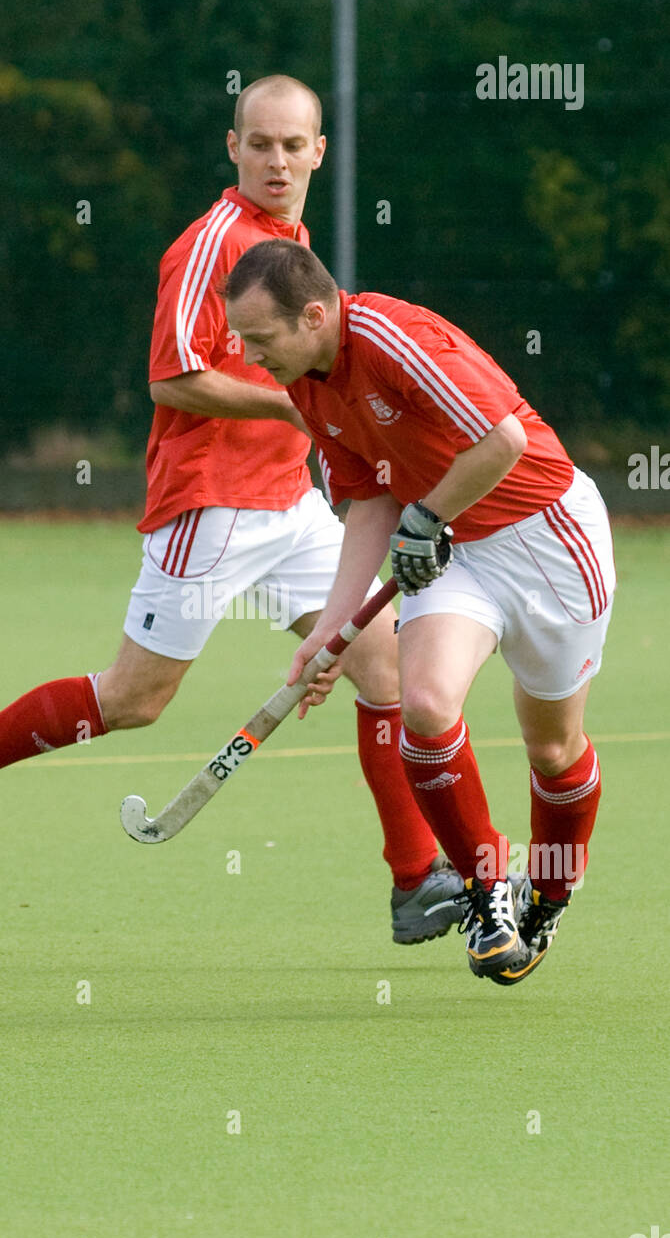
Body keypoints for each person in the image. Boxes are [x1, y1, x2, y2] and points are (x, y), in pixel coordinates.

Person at [0, 76, 462, 944]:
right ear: (233, 147)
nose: (276, 161)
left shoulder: (293, 241)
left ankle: (416, 880)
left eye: (292, 146)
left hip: (289, 505)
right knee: (133, 699)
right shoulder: (212, 245)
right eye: (259, 144)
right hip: (209, 505)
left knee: (384, 669)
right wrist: (291, 408)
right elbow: (173, 377)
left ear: (319, 153)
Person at [222, 237, 615, 984]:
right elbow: (369, 498)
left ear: (313, 315)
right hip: (453, 548)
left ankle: (550, 894)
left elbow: (500, 440)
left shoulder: (393, 339)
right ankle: (487, 892)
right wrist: (334, 632)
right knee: (426, 707)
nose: (251, 357)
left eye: (260, 339)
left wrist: (427, 515)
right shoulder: (307, 381)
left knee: (553, 749)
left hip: (548, 540)